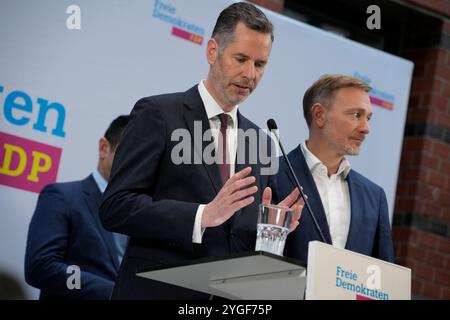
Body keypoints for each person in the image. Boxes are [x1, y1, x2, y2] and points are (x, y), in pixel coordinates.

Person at [99, 2, 304, 300]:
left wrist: (270, 231)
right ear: (212, 51)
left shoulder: (259, 139)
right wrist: (202, 215)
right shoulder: (158, 113)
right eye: (241, 59)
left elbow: (236, 235)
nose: (250, 74)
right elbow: (116, 207)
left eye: (260, 65)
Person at [278, 74, 394, 264]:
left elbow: (382, 274)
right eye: (356, 115)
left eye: (368, 118)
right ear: (319, 115)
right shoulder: (270, 174)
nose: (366, 128)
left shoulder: (375, 197)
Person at [25, 115, 130, 299]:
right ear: (104, 148)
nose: (137, 165)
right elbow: (41, 267)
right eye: (130, 153)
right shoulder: (62, 197)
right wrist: (114, 293)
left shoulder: (140, 214)